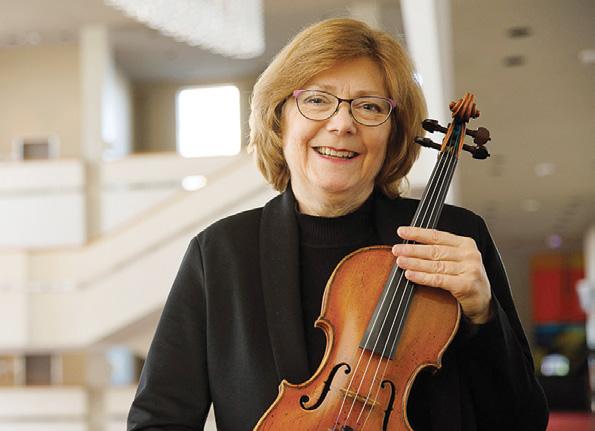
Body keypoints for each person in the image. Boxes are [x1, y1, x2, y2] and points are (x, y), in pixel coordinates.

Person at [127, 18, 548, 431]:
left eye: (369, 107)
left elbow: (523, 421)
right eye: (316, 100)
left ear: (394, 133)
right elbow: (158, 421)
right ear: (279, 119)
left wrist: (483, 316)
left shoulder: (453, 238)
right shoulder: (220, 252)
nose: (342, 124)